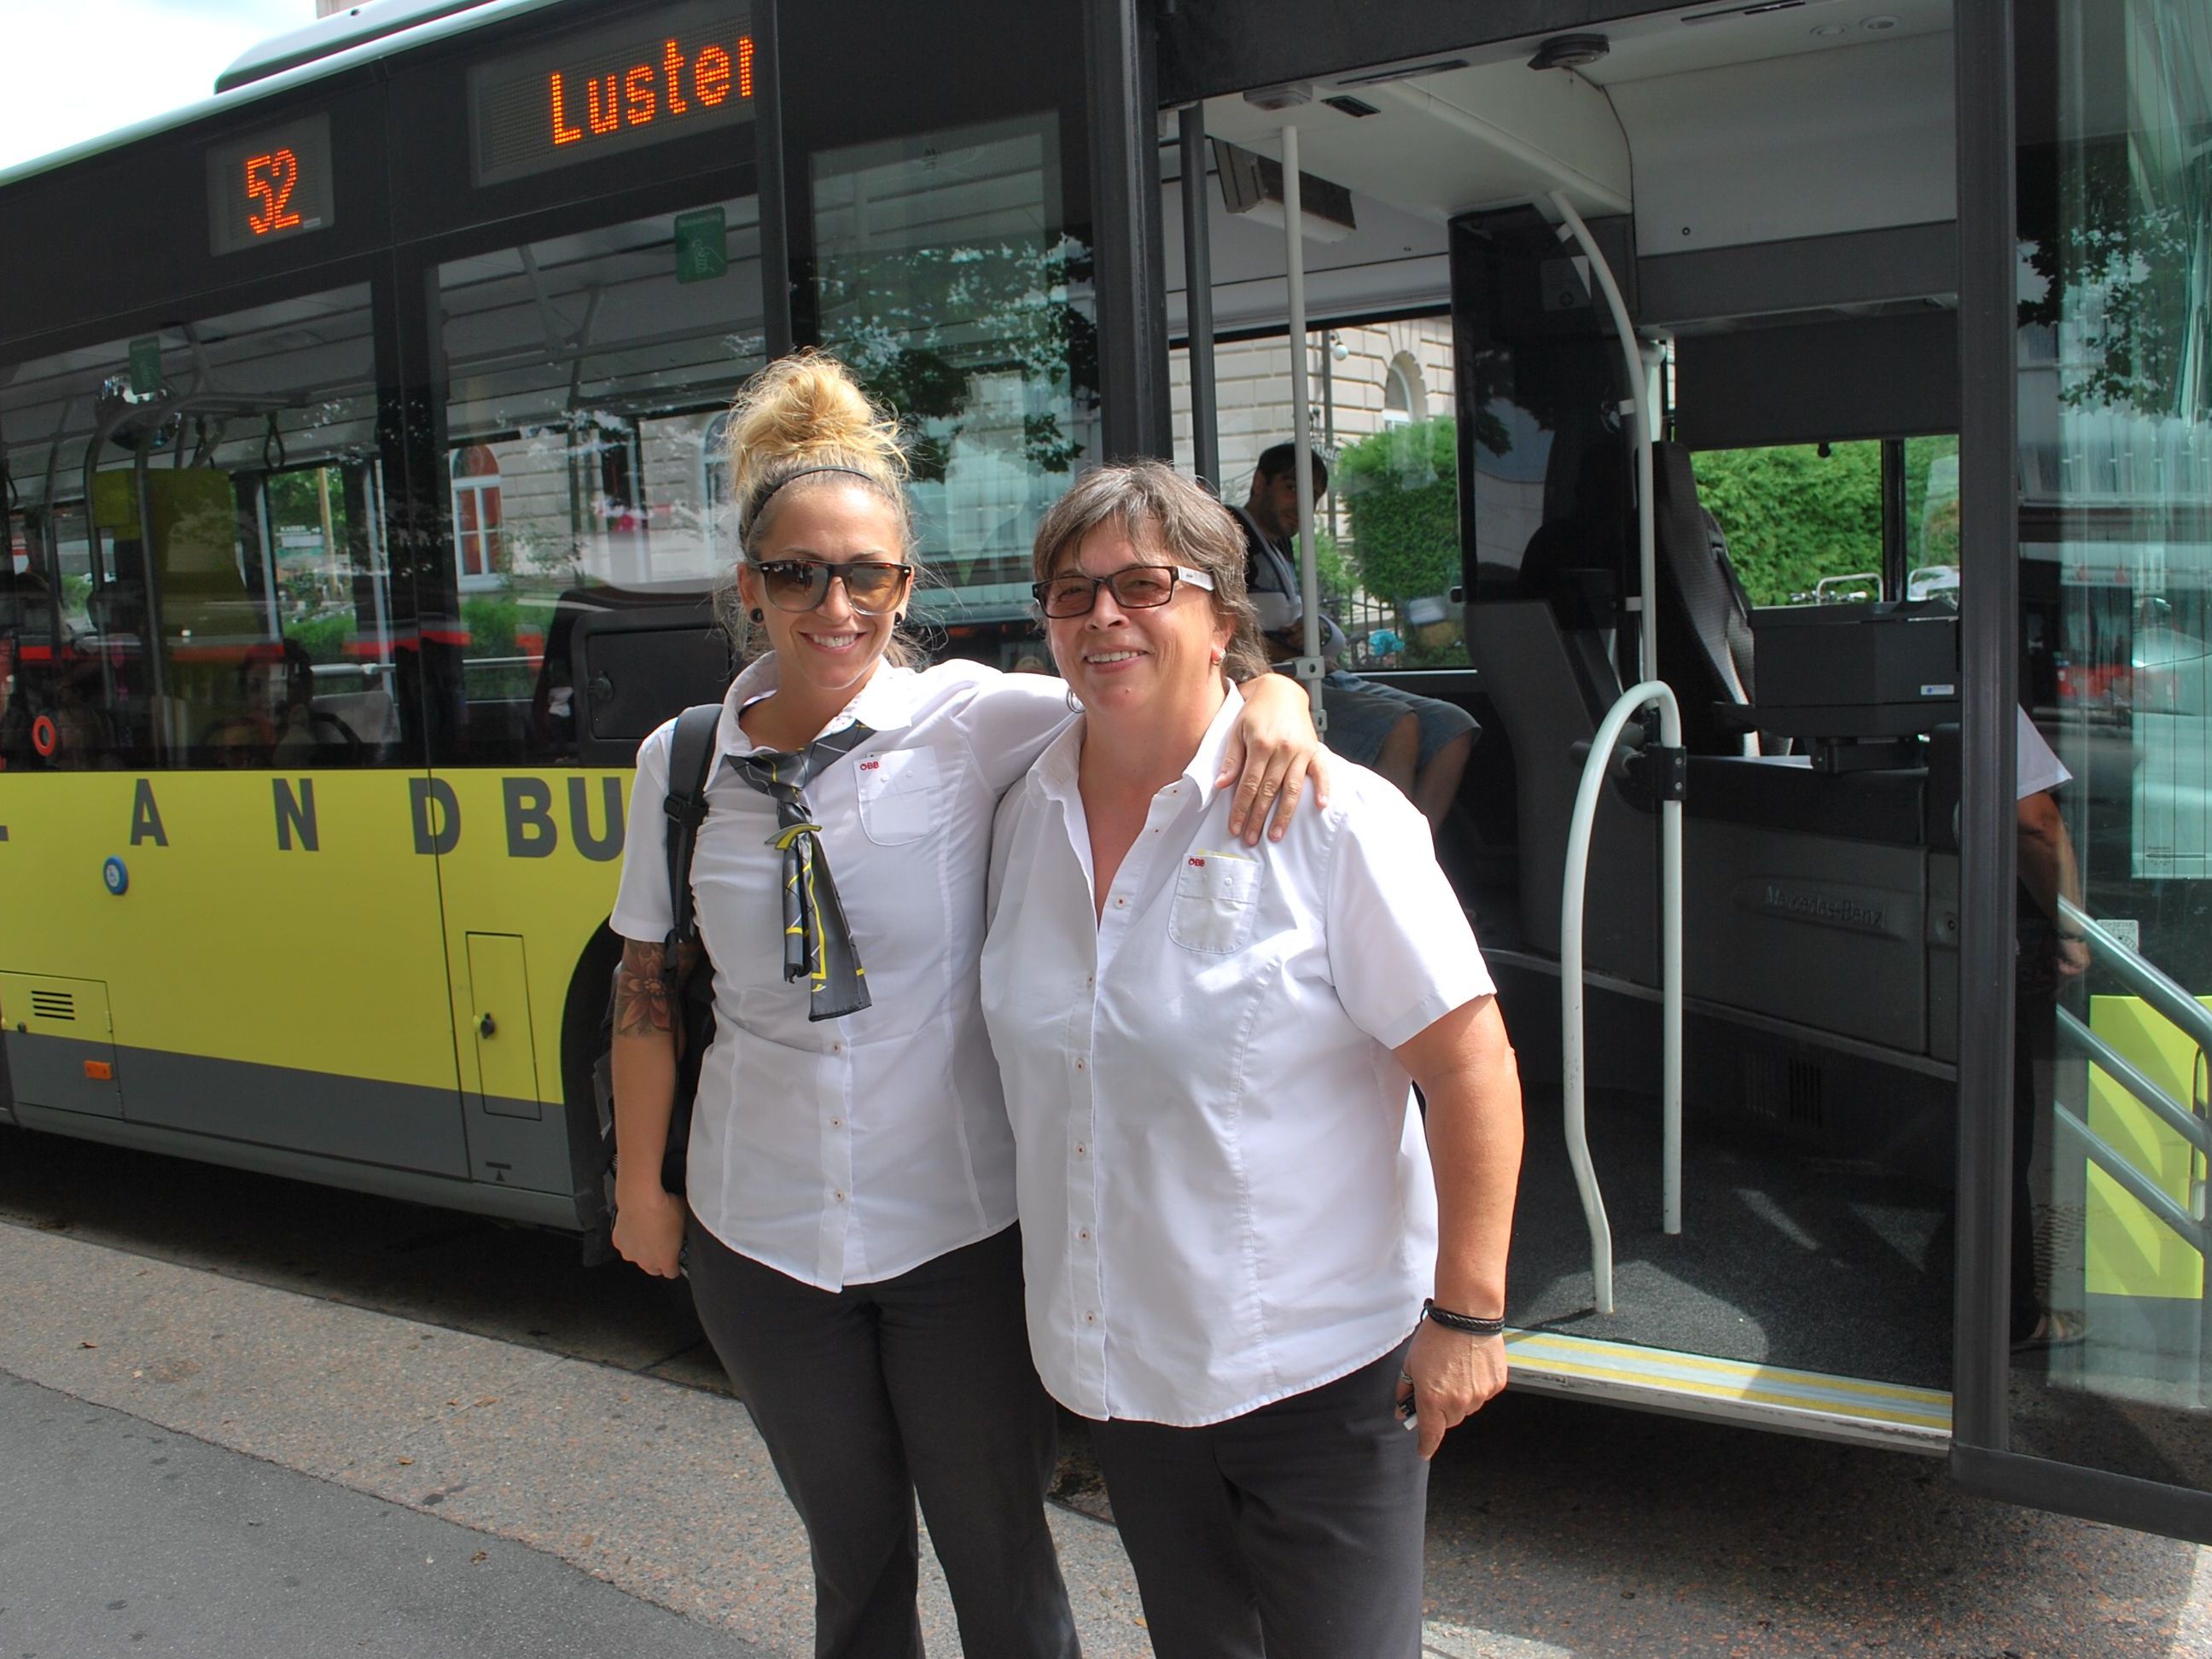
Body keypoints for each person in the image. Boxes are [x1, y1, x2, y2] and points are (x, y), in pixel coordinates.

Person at [604, 353, 1325, 1659]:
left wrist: (1274, 692)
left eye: (866, 574)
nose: (836, 604)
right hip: (757, 1234)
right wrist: (640, 1190)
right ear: (749, 586)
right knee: (853, 1558)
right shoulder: (682, 760)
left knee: (1000, 1558)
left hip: (958, 1236)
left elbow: (1158, 683)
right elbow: (645, 987)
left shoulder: (975, 721)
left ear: (906, 587)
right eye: (799, 573)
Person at [983, 460, 1523, 1657]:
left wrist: (1469, 1317)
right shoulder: (1021, 812)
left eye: (1143, 585)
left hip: (1320, 1380)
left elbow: (1471, 1064)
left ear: (1224, 618)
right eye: (1071, 594)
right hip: (1128, 1374)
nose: (1103, 617)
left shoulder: (1332, 819)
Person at [1234, 440, 1478, 829]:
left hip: (1320, 672)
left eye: (1311, 496)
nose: (1302, 507)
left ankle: (1415, 862)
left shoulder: (1280, 545)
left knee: (1454, 725)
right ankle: (1379, 870)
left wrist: (1313, 635)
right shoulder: (1236, 538)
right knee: (1400, 725)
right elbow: (1230, 634)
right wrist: (1292, 648)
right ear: (1260, 483)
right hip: (1285, 683)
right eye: (1291, 488)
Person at [2013, 705, 2089, 1350]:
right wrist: (2074, 927)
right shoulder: (1980, 683)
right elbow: (2033, 820)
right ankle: (2016, 1317)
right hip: (1981, 949)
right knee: (2004, 1128)